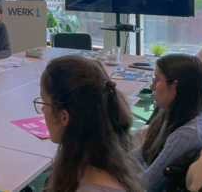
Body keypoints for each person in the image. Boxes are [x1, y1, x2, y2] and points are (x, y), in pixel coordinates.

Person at [38, 55, 144, 192]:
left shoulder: (92, 184)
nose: (42, 109)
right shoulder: (108, 159)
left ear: (64, 116)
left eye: (44, 102)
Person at [131, 54, 202, 192]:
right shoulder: (177, 113)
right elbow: (143, 151)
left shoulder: (187, 135)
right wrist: (111, 166)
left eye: (156, 80)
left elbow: (147, 186)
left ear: (175, 86)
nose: (152, 86)